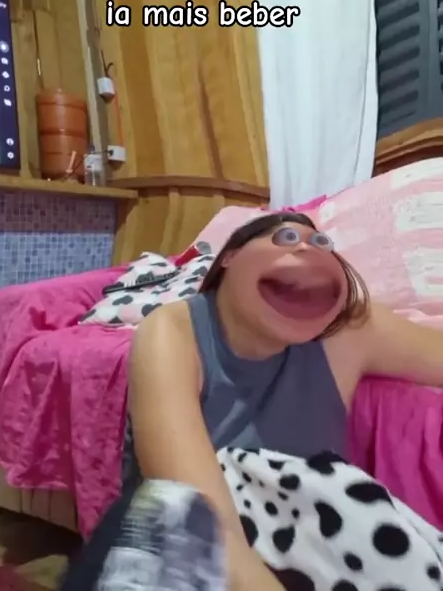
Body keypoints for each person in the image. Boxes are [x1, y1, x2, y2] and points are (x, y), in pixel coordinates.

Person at [61, 212, 443, 591]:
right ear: (230, 256)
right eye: (286, 238)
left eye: (323, 244)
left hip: (300, 549)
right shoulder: (172, 329)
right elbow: (198, 519)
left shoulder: (350, 331)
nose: (309, 250)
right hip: (182, 555)